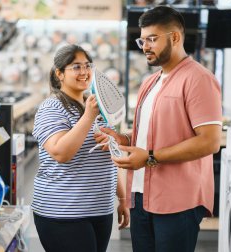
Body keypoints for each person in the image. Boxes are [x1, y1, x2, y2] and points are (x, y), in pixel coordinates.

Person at [95, 6, 222, 252]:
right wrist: (123, 138)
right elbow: (150, 134)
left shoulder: (198, 79)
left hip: (178, 201)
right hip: (141, 197)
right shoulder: (150, 82)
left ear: (175, 37)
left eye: (152, 39)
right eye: (142, 40)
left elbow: (210, 141)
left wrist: (151, 158)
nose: (145, 46)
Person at [32, 44, 129, 252]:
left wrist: (122, 198)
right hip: (63, 213)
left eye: (87, 66)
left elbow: (112, 155)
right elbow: (61, 153)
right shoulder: (52, 107)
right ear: (59, 74)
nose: (84, 72)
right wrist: (88, 116)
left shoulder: (96, 106)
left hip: (99, 209)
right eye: (76, 67)